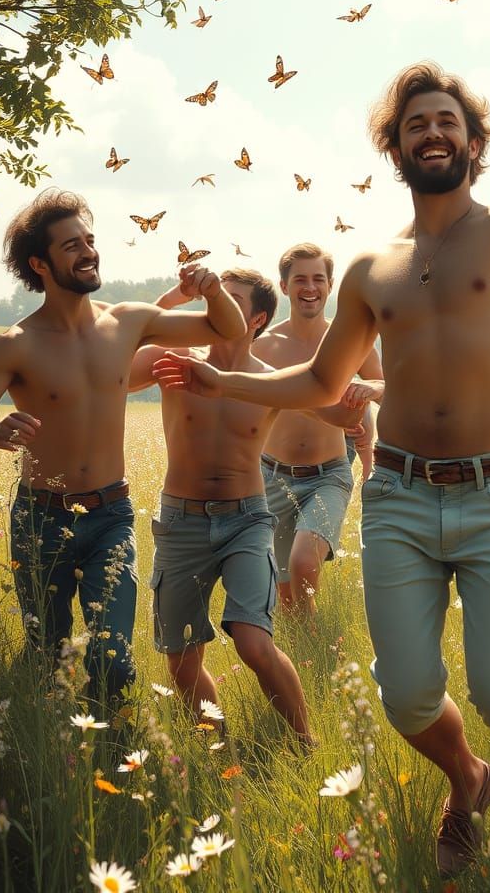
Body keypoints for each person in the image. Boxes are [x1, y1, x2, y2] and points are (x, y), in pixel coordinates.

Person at [153, 0, 490, 875]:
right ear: (394, 147)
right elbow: (322, 379)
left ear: (475, 140)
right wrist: (228, 380)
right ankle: (468, 785)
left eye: (448, 120)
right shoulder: (373, 268)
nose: (433, 132)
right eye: (415, 124)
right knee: (408, 697)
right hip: (402, 497)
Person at [0, 188, 245, 701]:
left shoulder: (128, 321)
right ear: (40, 264)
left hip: (111, 514)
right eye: (72, 246)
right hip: (40, 518)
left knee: (111, 657)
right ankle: (44, 743)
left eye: (90, 240)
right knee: (47, 647)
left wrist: (212, 289)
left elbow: (227, 327)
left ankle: (107, 750)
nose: (89, 251)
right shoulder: (14, 345)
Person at [130, 267, 315, 740]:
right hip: (180, 521)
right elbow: (120, 354)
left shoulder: (269, 381)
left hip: (246, 520)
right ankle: (220, 748)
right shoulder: (174, 360)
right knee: (181, 659)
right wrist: (173, 298)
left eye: (231, 301)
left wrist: (366, 399)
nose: (218, 307)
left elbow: (328, 397)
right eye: (214, 299)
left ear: (257, 320)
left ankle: (304, 740)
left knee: (253, 643)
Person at [253, 243, 383, 614]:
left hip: (329, 476)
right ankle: (305, 649)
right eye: (300, 279)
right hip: (271, 476)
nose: (309, 287)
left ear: (330, 286)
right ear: (284, 286)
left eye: (318, 279)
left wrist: (371, 457)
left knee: (304, 563)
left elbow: (391, 393)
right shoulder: (265, 346)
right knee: (285, 593)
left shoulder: (353, 341)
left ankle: (312, 642)